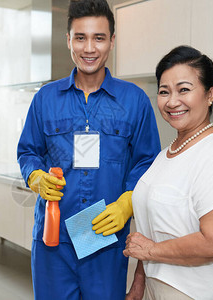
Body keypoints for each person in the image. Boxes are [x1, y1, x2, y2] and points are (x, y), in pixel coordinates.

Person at [17, 0, 161, 298]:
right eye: (80, 37)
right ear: (68, 39)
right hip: (52, 239)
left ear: (112, 41)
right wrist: (35, 177)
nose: (89, 48)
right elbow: (28, 151)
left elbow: (148, 162)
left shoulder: (134, 101)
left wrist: (127, 203)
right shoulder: (45, 98)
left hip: (104, 238)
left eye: (99, 37)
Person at [124, 45, 213, 300]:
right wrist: (139, 284)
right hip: (155, 285)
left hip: (195, 292)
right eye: (164, 91)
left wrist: (151, 251)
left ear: (210, 93)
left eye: (184, 89)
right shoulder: (166, 154)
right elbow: (152, 231)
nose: (172, 101)